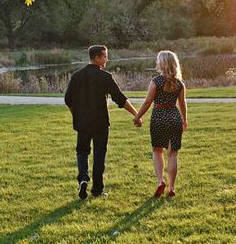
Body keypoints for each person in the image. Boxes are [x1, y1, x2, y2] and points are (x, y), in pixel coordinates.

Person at [64, 45, 142, 199]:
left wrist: (76, 115)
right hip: (100, 123)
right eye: (105, 56)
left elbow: (68, 100)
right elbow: (119, 98)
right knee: (99, 155)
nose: (107, 59)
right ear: (97, 58)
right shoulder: (105, 77)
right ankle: (97, 190)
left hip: (82, 123)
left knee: (82, 151)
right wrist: (136, 114)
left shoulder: (77, 76)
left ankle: (84, 178)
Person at [133, 50, 188, 198]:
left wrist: (137, 117)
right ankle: (171, 187)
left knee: (157, 151)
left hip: (158, 117)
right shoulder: (180, 84)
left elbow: (147, 103)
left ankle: (160, 182)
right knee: (173, 154)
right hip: (174, 116)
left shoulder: (156, 81)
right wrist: (184, 120)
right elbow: (182, 104)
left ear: (161, 63)